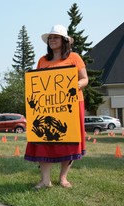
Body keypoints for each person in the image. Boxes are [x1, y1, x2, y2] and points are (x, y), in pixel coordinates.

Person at [24, 24, 89, 189]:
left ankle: (63, 178)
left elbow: (84, 79)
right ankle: (45, 181)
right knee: (43, 139)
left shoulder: (74, 57)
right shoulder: (42, 60)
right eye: (50, 38)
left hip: (71, 104)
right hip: (46, 107)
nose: (52, 40)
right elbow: (38, 82)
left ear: (64, 40)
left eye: (56, 37)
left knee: (69, 139)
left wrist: (73, 86)